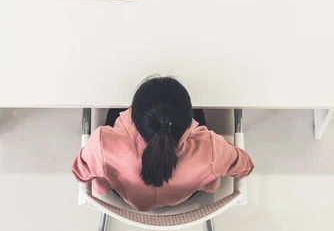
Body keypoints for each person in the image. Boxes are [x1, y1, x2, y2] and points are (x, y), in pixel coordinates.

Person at [72, 77, 254, 212]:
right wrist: (220, 149)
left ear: (135, 116)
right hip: (182, 197)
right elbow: (244, 167)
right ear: (187, 119)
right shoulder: (212, 150)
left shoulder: (103, 145)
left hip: (128, 196)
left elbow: (81, 173)